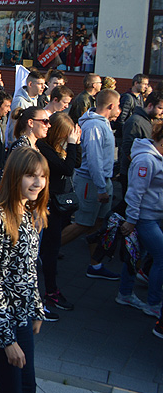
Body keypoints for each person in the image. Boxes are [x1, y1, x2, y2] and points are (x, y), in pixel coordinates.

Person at [0, 147, 49, 393]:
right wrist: (7, 340)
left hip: (21, 315)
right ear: (15, 176)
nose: (38, 183)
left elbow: (29, 270)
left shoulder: (27, 212)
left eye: (42, 176)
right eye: (31, 176)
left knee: (27, 387)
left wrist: (37, 308)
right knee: (12, 389)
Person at [60, 89, 122, 280]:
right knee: (82, 224)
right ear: (111, 106)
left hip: (101, 181)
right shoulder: (95, 126)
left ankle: (95, 265)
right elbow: (94, 160)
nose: (119, 110)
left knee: (98, 223)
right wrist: (101, 188)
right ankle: (43, 250)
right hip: (91, 182)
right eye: (118, 106)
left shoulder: (102, 123)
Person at [117, 121, 163, 319]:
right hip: (145, 218)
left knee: (135, 256)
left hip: (152, 216)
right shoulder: (146, 160)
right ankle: (153, 303)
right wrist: (132, 219)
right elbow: (135, 192)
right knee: (160, 258)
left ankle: (125, 293)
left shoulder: (156, 157)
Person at [37, 112, 81, 312]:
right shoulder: (44, 148)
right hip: (48, 205)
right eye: (65, 135)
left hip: (56, 204)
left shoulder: (55, 147)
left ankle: (50, 290)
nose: (67, 138)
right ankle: (50, 292)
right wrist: (71, 144)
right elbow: (67, 169)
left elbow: (76, 163)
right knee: (50, 249)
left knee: (52, 248)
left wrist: (76, 144)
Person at [120, 91, 163, 189]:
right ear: (150, 105)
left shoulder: (152, 120)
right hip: (134, 174)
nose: (162, 112)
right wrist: (143, 166)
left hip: (148, 172)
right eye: (160, 108)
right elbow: (128, 150)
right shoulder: (136, 122)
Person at [8, 70, 45, 144]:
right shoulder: (20, 101)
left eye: (44, 84)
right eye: (40, 84)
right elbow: (14, 126)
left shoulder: (36, 99)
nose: (43, 87)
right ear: (30, 84)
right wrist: (16, 144)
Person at [115, 73, 149, 139]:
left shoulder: (140, 97)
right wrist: (129, 132)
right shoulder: (128, 98)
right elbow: (120, 120)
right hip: (125, 137)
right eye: (144, 84)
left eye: (147, 84)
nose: (146, 87)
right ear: (136, 83)